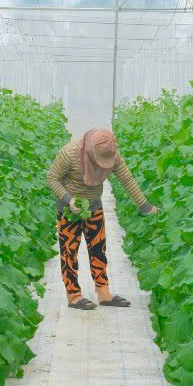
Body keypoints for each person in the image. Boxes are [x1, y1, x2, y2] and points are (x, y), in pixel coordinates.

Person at [46, 128, 159, 310]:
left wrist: (144, 205)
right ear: (90, 152)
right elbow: (52, 178)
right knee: (69, 251)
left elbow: (126, 178)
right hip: (68, 210)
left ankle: (103, 293)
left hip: (94, 206)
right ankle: (73, 295)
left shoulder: (110, 153)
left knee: (99, 249)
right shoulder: (69, 153)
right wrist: (69, 200)